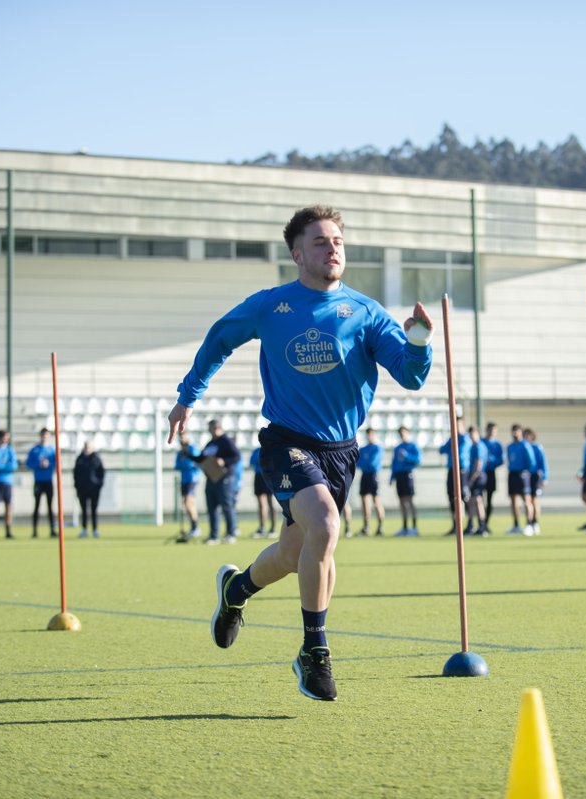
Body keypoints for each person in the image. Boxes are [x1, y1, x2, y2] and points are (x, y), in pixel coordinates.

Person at [167, 205, 433, 701]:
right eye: (319, 242)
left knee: (295, 553)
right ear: (296, 254)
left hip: (341, 451)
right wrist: (187, 395)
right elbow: (219, 339)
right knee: (327, 526)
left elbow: (412, 376)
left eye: (337, 241)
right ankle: (314, 652)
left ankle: (236, 591)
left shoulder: (365, 312)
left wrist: (418, 338)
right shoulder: (271, 306)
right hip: (286, 441)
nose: (332, 248)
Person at [200, 419, 241, 544]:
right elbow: (201, 458)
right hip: (211, 478)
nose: (210, 431)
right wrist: (189, 453)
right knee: (211, 507)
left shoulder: (226, 441)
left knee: (226, 505)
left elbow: (236, 456)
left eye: (212, 428)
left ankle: (231, 532)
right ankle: (214, 535)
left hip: (224, 478)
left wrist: (224, 461)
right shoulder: (211, 443)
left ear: (217, 428)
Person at [438, 417, 473, 536]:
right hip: (451, 469)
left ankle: (471, 524)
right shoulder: (453, 438)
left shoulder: (465, 439)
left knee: (464, 496)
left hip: (462, 470)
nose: (456, 427)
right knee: (452, 497)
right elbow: (441, 450)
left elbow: (460, 453)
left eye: (458, 425)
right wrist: (450, 446)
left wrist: (450, 448)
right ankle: (455, 525)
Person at [25, 428, 57, 538]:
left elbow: (57, 463)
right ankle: (34, 531)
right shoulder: (35, 450)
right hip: (38, 481)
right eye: (43, 435)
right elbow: (28, 463)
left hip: (48, 481)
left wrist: (49, 465)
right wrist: (39, 465)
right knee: (37, 506)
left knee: (50, 507)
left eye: (47, 435)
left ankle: (52, 530)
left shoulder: (52, 450)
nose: (45, 437)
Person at [505, 424, 537, 534]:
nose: (514, 434)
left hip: (522, 474)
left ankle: (530, 524)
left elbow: (531, 461)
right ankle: (516, 525)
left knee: (526, 499)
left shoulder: (525, 445)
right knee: (514, 500)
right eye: (513, 431)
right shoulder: (510, 446)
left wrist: (526, 472)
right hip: (512, 474)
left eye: (517, 431)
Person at [390, 425, 421, 536]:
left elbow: (418, 460)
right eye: (400, 433)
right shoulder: (398, 447)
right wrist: (392, 476)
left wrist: (407, 456)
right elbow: (394, 463)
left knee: (410, 500)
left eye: (403, 433)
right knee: (402, 501)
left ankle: (414, 527)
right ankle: (405, 527)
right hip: (399, 475)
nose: (402, 435)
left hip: (408, 474)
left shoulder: (412, 446)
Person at [356, 427, 385, 536]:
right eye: (368, 434)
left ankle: (380, 526)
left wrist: (364, 463)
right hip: (365, 475)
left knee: (376, 500)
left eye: (371, 434)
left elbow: (372, 463)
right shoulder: (363, 449)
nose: (369, 436)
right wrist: (364, 463)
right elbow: (357, 462)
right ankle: (366, 526)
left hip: (373, 476)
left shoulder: (377, 448)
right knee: (364, 501)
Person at [73, 440, 105, 538]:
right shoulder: (80, 459)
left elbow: (101, 473)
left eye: (89, 447)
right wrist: (77, 486)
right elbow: (75, 474)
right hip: (82, 489)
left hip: (94, 489)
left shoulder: (96, 459)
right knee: (84, 511)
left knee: (94, 510)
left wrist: (98, 485)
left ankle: (95, 529)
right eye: (86, 446)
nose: (87, 448)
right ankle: (84, 530)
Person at [175, 429, 203, 540]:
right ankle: (194, 527)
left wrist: (185, 463)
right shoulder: (180, 452)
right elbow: (177, 465)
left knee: (188, 502)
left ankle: (195, 527)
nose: (181, 438)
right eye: (180, 436)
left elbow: (196, 462)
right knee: (188, 503)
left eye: (183, 435)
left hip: (192, 478)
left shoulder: (192, 449)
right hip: (184, 479)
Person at [465, 424, 489, 535]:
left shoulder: (479, 446)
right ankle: (471, 525)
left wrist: (471, 480)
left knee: (478, 501)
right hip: (475, 475)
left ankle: (482, 526)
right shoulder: (474, 446)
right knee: (472, 501)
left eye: (473, 433)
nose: (471, 436)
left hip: (478, 477)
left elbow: (478, 465)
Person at [250, 447, 277, 538]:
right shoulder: (256, 450)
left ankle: (273, 528)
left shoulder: (271, 449)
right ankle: (262, 527)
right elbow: (252, 463)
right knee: (261, 503)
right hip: (258, 476)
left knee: (270, 503)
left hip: (269, 475)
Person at [524, 428, 547, 535]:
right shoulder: (524, 446)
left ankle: (535, 523)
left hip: (536, 476)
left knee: (535, 500)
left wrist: (545, 478)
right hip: (527, 476)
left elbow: (543, 464)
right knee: (528, 500)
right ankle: (529, 522)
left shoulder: (537, 447)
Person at [482, 422, 503, 529]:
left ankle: (486, 523)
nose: (492, 432)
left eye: (494, 430)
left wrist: (493, 462)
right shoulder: (481, 442)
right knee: (478, 498)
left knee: (489, 499)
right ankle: (479, 523)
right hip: (481, 473)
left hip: (491, 473)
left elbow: (501, 460)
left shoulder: (497, 444)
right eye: (490, 430)